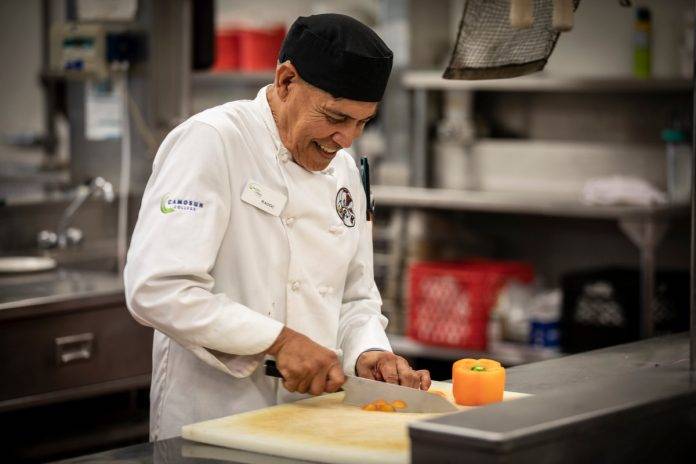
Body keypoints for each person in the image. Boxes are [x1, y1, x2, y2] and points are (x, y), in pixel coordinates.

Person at [124, 13, 431, 441]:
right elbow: (157, 289)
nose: (347, 139)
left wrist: (369, 351)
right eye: (335, 117)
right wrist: (279, 341)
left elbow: (355, 296)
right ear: (286, 81)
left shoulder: (343, 170)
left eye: (363, 122)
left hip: (314, 419)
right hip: (215, 419)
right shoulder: (212, 141)